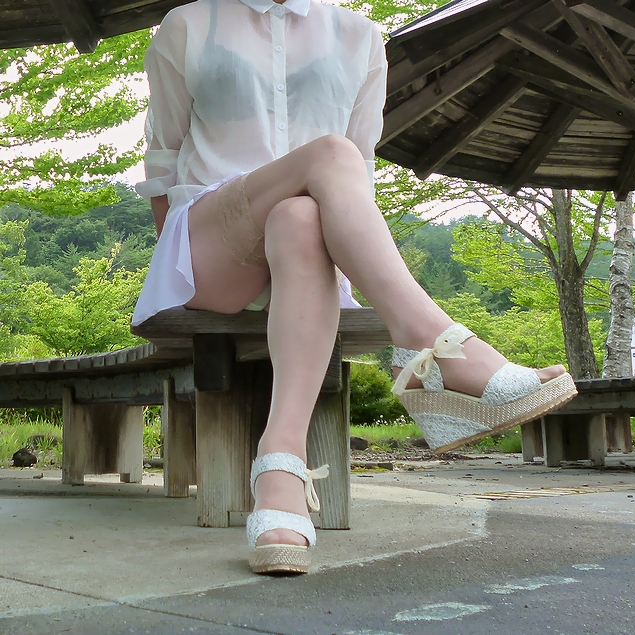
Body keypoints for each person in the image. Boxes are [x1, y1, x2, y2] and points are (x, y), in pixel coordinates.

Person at [133, 0, 577, 575]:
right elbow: (163, 159)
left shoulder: (360, 36)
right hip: (210, 248)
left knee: (300, 213)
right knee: (330, 152)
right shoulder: (189, 24)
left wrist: (339, 249)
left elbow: (358, 172)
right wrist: (174, 261)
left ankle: (279, 463)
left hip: (311, 244)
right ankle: (432, 343)